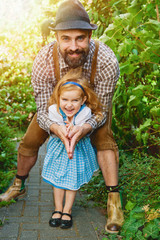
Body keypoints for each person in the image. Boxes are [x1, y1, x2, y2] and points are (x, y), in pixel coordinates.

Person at [0, 0, 124, 233]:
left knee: (105, 140)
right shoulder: (44, 60)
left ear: (89, 36)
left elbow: (103, 109)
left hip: (90, 110)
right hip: (54, 111)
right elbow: (43, 107)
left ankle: (113, 203)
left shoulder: (106, 60)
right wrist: (57, 128)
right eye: (66, 38)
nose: (73, 46)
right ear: (56, 37)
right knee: (29, 141)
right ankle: (19, 184)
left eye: (80, 38)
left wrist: (86, 127)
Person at [42, 69, 101, 229]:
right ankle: (57, 209)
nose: (69, 104)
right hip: (58, 151)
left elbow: (79, 131)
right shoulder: (54, 110)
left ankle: (67, 210)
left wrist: (72, 133)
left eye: (75, 100)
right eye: (65, 99)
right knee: (57, 180)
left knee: (71, 181)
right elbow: (58, 129)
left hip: (77, 151)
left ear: (83, 100)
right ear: (58, 98)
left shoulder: (85, 112)